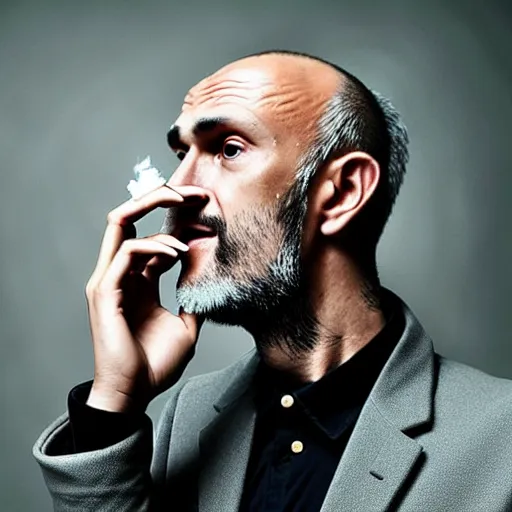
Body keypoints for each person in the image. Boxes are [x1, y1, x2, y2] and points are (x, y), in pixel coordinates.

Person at [33, 51, 512, 512]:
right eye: (182, 153)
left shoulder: (501, 440)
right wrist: (113, 402)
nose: (175, 189)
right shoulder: (187, 415)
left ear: (343, 192)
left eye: (228, 148)